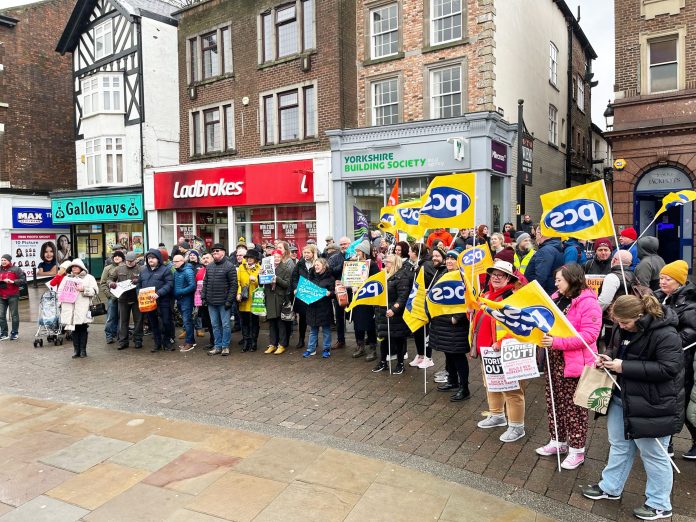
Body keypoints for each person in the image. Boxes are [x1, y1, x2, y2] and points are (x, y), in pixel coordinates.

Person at [583, 295, 684, 521]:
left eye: (625, 323)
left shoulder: (665, 334)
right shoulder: (622, 327)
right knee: (618, 445)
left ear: (640, 316)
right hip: (622, 396)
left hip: (653, 403)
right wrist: (606, 358)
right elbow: (615, 349)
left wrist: (623, 366)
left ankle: (659, 504)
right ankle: (610, 487)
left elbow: (669, 369)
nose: (620, 326)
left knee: (654, 454)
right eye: (617, 322)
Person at [537, 263, 602, 469]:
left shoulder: (588, 302)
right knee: (554, 402)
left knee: (574, 409)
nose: (555, 284)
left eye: (559, 280)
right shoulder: (556, 298)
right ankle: (558, 441)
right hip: (554, 360)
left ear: (572, 279)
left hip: (574, 363)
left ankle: (577, 450)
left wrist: (558, 342)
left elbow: (590, 335)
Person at [471, 260, 526, 441]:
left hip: (505, 351)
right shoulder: (487, 294)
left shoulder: (513, 297)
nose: (495, 277)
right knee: (491, 384)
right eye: (493, 274)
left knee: (512, 391)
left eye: (500, 275)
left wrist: (502, 342)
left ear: (509, 278)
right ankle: (497, 415)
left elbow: (520, 327)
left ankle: (517, 427)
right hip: (488, 351)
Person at [654, 260, 696, 459]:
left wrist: (670, 343)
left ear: (679, 281)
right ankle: (666, 441)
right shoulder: (658, 297)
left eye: (667, 279)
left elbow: (692, 331)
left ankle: (674, 441)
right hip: (659, 356)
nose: (662, 282)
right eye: (661, 277)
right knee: (664, 399)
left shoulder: (690, 303)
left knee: (681, 402)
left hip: (682, 359)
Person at [429, 250, 471, 401]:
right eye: (448, 258)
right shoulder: (441, 274)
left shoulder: (464, 276)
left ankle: (464, 387)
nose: (449, 261)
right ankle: (452, 381)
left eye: (453, 259)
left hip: (455, 324)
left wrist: (457, 318)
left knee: (458, 355)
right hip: (442, 322)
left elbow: (470, 301)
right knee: (448, 353)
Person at [372, 254, 411, 375]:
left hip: (395, 315)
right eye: (385, 261)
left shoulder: (401, 277)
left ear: (395, 264)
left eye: (388, 262)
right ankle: (383, 361)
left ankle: (400, 364)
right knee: (383, 338)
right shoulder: (383, 276)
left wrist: (394, 309)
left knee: (399, 339)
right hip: (382, 313)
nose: (385, 264)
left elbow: (403, 296)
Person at [410, 245, 446, 369]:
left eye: (438, 256)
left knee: (427, 332)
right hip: (421, 303)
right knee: (419, 330)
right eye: (433, 256)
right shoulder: (430, 266)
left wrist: (430, 291)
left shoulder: (443, 270)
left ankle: (428, 357)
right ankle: (420, 355)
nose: (435, 258)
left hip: (433, 308)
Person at [58, 259, 99, 358]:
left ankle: (83, 351)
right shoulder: (66, 278)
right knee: (74, 330)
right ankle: (76, 350)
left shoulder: (89, 278)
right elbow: (60, 291)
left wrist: (83, 289)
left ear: (81, 267)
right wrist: (60, 303)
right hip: (70, 308)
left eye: (76, 266)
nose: (74, 268)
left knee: (83, 328)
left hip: (83, 308)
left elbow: (95, 291)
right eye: (73, 267)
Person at [202, 243, 236, 356]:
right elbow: (205, 283)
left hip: (224, 302)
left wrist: (229, 301)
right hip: (211, 302)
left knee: (226, 324)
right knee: (215, 325)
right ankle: (217, 346)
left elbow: (233, 285)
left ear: (223, 252)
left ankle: (225, 346)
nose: (214, 252)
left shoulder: (229, 266)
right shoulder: (210, 266)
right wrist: (203, 297)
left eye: (217, 250)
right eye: (213, 251)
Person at [138, 249, 174, 353]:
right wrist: (139, 294)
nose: (150, 260)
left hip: (163, 301)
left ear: (158, 259)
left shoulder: (165, 270)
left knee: (166, 322)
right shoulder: (143, 271)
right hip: (149, 302)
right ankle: (157, 343)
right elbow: (139, 285)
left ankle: (167, 342)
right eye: (149, 258)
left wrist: (158, 293)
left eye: (153, 258)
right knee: (153, 323)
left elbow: (169, 284)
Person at [597, 250, 635, 348]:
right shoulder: (633, 275)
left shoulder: (612, 277)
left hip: (612, 321)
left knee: (611, 348)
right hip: (627, 317)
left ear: (614, 260)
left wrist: (594, 312)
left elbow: (604, 301)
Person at [350, 240, 378, 360]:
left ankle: (372, 348)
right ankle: (360, 345)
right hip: (356, 298)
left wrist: (362, 286)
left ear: (365, 252)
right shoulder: (355, 263)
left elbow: (376, 282)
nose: (356, 253)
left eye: (358, 251)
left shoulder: (372, 265)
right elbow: (348, 276)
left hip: (368, 298)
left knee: (369, 324)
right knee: (357, 323)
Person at [110, 251, 143, 350]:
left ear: (135, 260)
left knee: (138, 320)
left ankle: (138, 340)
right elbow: (110, 279)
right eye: (128, 261)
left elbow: (146, 280)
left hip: (136, 298)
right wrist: (111, 283)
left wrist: (139, 281)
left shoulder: (141, 269)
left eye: (131, 261)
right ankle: (123, 341)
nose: (129, 263)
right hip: (123, 299)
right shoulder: (119, 268)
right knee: (123, 321)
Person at [303, 257, 335, 358]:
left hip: (324, 308)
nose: (316, 267)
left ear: (324, 266)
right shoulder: (311, 277)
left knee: (326, 330)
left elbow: (335, 292)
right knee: (313, 330)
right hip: (312, 307)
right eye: (315, 265)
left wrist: (330, 293)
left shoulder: (330, 278)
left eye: (318, 265)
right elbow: (306, 289)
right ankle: (311, 349)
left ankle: (326, 349)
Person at [263, 248, 293, 354]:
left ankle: (282, 344)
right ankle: (272, 344)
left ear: (281, 258)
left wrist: (277, 279)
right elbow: (261, 283)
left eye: (278, 257)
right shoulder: (266, 268)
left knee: (281, 323)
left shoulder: (286, 268)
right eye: (274, 257)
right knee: (272, 323)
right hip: (270, 297)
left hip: (280, 298)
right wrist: (260, 275)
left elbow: (287, 284)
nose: (276, 259)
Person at [327, 236, 352, 349]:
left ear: (350, 244)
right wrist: (344, 263)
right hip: (340, 291)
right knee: (339, 316)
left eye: (345, 244)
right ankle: (340, 340)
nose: (343, 246)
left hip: (353, 290)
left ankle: (360, 341)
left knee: (355, 315)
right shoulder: (335, 257)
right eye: (341, 244)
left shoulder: (355, 255)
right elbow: (331, 271)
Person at [291, 244, 317, 350]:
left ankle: (314, 341)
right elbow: (294, 277)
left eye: (308, 252)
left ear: (313, 253)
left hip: (313, 294)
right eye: (304, 252)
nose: (306, 254)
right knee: (302, 318)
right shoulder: (300, 264)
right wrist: (295, 287)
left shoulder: (317, 263)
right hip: (302, 294)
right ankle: (301, 339)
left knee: (314, 318)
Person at [524, 228, 564, 295]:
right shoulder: (552, 248)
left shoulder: (545, 251)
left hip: (542, 292)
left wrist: (533, 293)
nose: (535, 237)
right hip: (549, 291)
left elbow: (541, 276)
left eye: (536, 234)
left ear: (541, 234)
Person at [237, 249, 261, 352]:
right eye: (248, 257)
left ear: (256, 259)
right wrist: (238, 293)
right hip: (243, 298)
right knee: (244, 322)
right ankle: (246, 342)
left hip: (255, 299)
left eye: (251, 257)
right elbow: (237, 281)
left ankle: (254, 342)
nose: (249, 259)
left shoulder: (260, 268)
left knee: (254, 322)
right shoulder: (241, 267)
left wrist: (255, 280)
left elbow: (262, 284)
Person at [172, 254, 196, 352]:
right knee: (186, 322)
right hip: (180, 299)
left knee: (187, 321)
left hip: (187, 300)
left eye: (176, 262)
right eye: (173, 262)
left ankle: (189, 342)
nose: (174, 264)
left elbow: (192, 286)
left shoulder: (188, 271)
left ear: (182, 261)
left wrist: (180, 292)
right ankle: (189, 341)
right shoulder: (176, 272)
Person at [100, 250, 124, 345]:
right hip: (112, 297)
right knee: (111, 317)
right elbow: (103, 283)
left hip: (123, 298)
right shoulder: (108, 268)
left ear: (123, 258)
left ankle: (119, 334)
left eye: (119, 256)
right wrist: (109, 295)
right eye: (115, 256)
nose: (117, 257)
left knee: (121, 318)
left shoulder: (125, 268)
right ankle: (109, 335)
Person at [0, 254, 26, 341]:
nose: (3, 261)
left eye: (5, 260)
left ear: (9, 261)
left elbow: (23, 280)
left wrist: (13, 281)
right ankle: (4, 333)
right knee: (1, 315)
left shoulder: (16, 269)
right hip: (1, 296)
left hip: (13, 296)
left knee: (14, 315)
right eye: (2, 260)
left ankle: (14, 333)